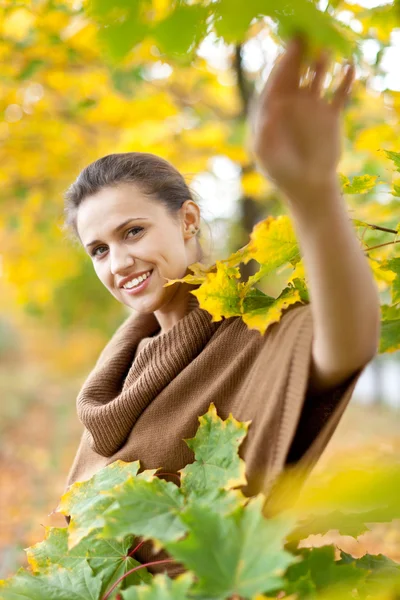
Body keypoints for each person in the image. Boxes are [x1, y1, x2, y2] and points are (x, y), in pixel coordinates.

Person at [61, 37, 381, 578]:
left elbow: (346, 342)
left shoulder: (251, 334)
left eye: (133, 231)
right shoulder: (118, 373)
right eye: (99, 249)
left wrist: (312, 192)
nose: (118, 262)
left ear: (188, 221)